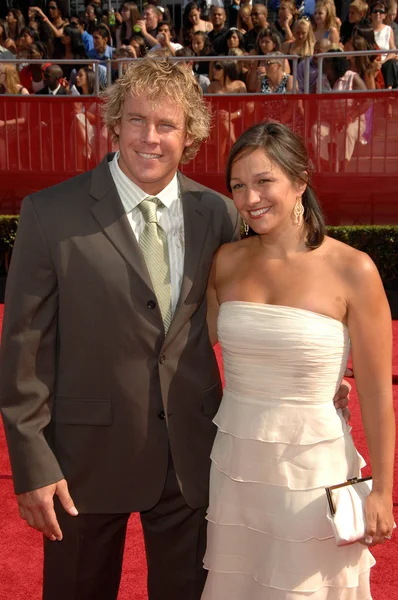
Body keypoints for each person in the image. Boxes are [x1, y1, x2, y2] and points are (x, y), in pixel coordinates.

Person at [0, 55, 350, 600]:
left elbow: (251, 305)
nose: (150, 138)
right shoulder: (50, 214)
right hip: (82, 462)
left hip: (193, 456)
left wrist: (314, 375)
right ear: (114, 123)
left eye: (167, 125)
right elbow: (23, 350)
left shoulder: (216, 212)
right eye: (137, 120)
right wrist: (32, 464)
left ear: (189, 137)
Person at [203, 120, 395, 600]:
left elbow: (374, 392)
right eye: (238, 186)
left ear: (301, 181)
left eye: (264, 181)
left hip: (315, 471)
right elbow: (187, 349)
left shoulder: (354, 269)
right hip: (236, 467)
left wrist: (383, 490)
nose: (250, 198)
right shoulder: (225, 261)